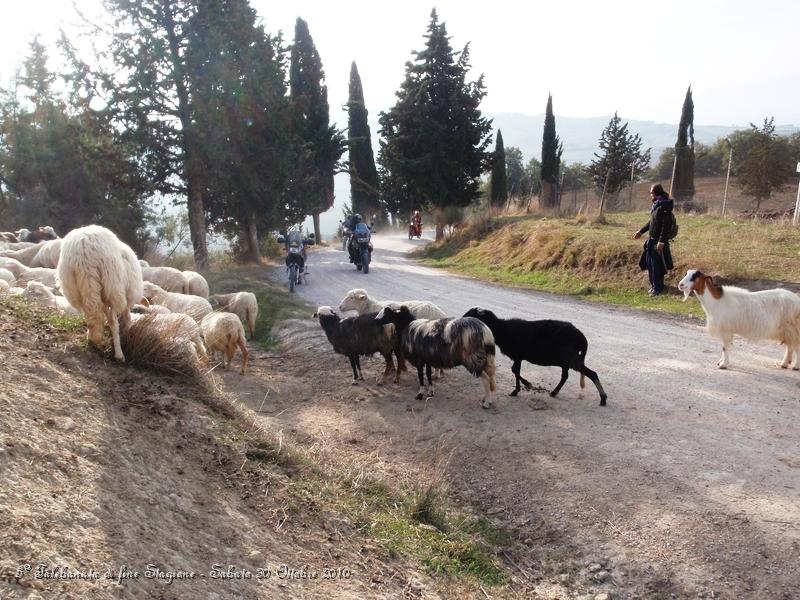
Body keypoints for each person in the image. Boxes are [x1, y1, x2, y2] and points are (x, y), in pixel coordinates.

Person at [633, 183, 674, 297]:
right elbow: (652, 223)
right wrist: (640, 232)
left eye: (651, 192)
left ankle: (658, 288)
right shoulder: (656, 205)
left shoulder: (664, 206)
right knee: (650, 264)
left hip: (658, 241)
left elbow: (665, 226)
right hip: (651, 239)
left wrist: (661, 242)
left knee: (657, 266)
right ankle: (654, 286)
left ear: (656, 193)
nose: (650, 194)